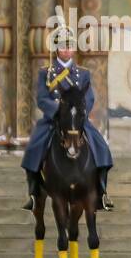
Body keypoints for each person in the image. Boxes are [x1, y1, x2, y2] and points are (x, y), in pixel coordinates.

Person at [20, 26, 114, 212]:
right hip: (54, 119)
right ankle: (33, 192)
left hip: (77, 121)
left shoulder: (83, 73)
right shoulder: (46, 73)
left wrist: (79, 114)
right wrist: (59, 111)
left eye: (70, 46)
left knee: (102, 148)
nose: (66, 49)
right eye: (63, 46)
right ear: (56, 48)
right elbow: (42, 98)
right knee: (33, 148)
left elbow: (89, 97)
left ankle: (102, 192)